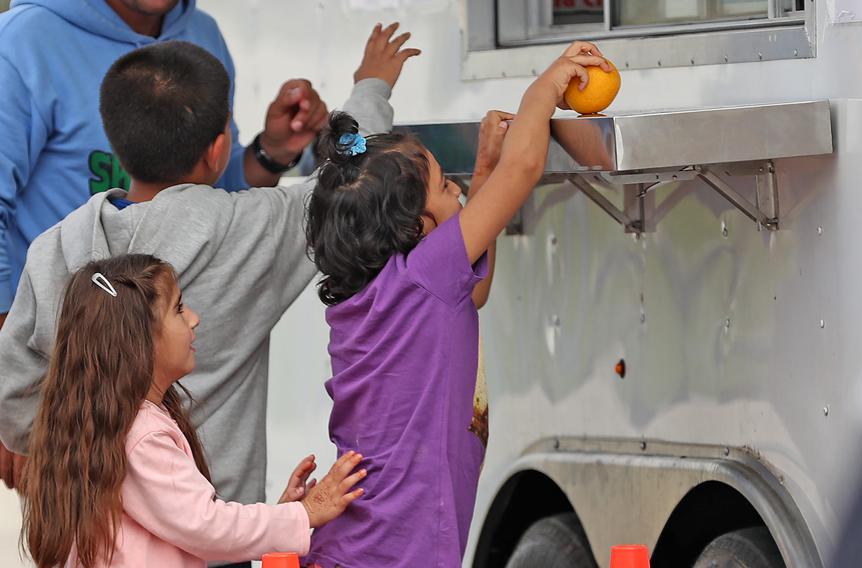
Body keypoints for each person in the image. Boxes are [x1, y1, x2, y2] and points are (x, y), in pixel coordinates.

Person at [0, 26, 416, 520]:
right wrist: (371, 85)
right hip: (216, 528)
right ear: (218, 149)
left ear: (116, 146)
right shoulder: (251, 228)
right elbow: (351, 175)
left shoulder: (55, 248)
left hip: (95, 533)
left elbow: (14, 397)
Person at [302, 42, 613, 566]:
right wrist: (545, 89)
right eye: (448, 186)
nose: (461, 194)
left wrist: (483, 166)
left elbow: (474, 293)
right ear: (417, 230)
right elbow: (525, 170)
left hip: (362, 542)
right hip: (398, 546)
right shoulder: (425, 275)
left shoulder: (369, 294)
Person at [0, 0, 333, 331]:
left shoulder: (204, 34)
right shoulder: (22, 42)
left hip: (181, 343)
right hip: (68, 354)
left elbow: (211, 187)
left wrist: (270, 152)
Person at [21, 254, 368, 568]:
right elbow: (206, 526)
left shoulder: (117, 425)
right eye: (178, 308)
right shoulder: (142, 434)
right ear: (138, 339)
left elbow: (190, 523)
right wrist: (302, 514)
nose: (194, 319)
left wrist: (281, 515)